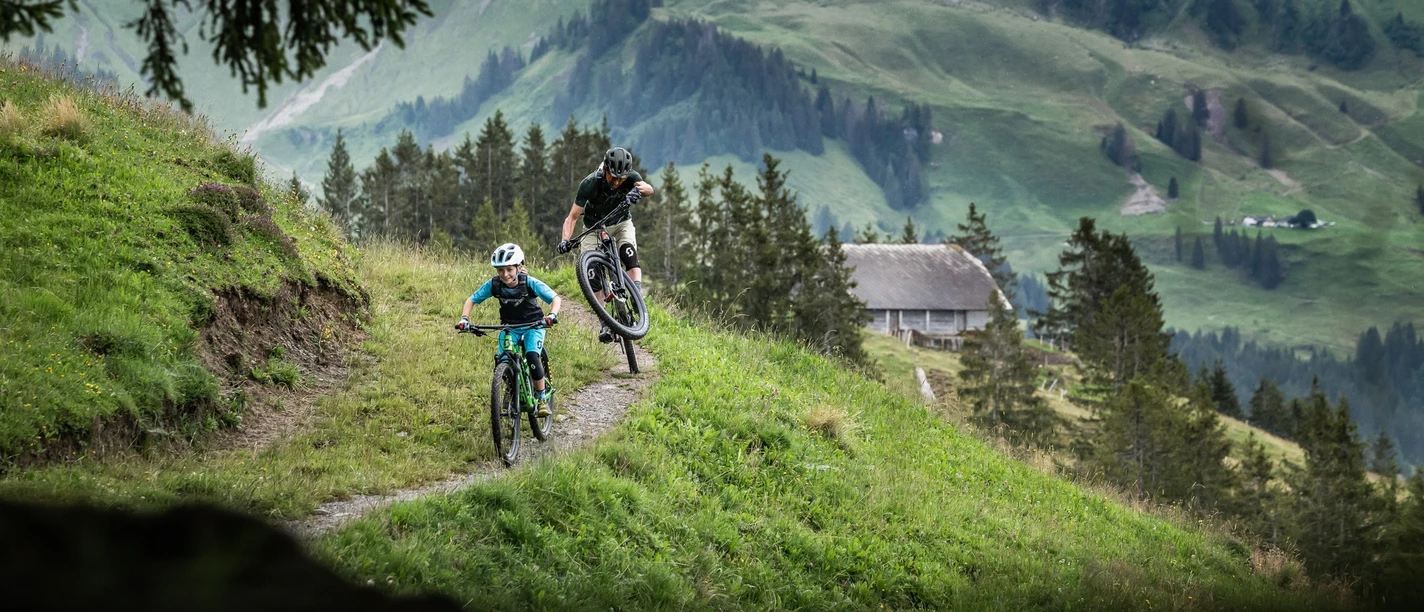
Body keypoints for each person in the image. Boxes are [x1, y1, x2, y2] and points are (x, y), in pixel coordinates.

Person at [556, 146, 654, 343]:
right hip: (593, 227)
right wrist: (565, 240)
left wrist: (639, 191)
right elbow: (572, 217)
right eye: (613, 177)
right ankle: (605, 322)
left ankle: (636, 297)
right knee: (591, 271)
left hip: (621, 224)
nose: (617, 182)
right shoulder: (590, 183)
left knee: (628, 253)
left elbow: (649, 189)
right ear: (605, 169)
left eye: (621, 178)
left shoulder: (630, 177)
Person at [456, 243, 561, 416]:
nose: (505, 275)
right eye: (500, 270)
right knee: (502, 360)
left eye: (509, 269)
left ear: (519, 267)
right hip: (509, 327)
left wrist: (551, 315)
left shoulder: (529, 283)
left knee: (532, 356)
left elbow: (555, 299)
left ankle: (542, 398)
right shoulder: (495, 285)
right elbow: (472, 299)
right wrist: (464, 319)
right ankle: (511, 389)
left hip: (533, 326)